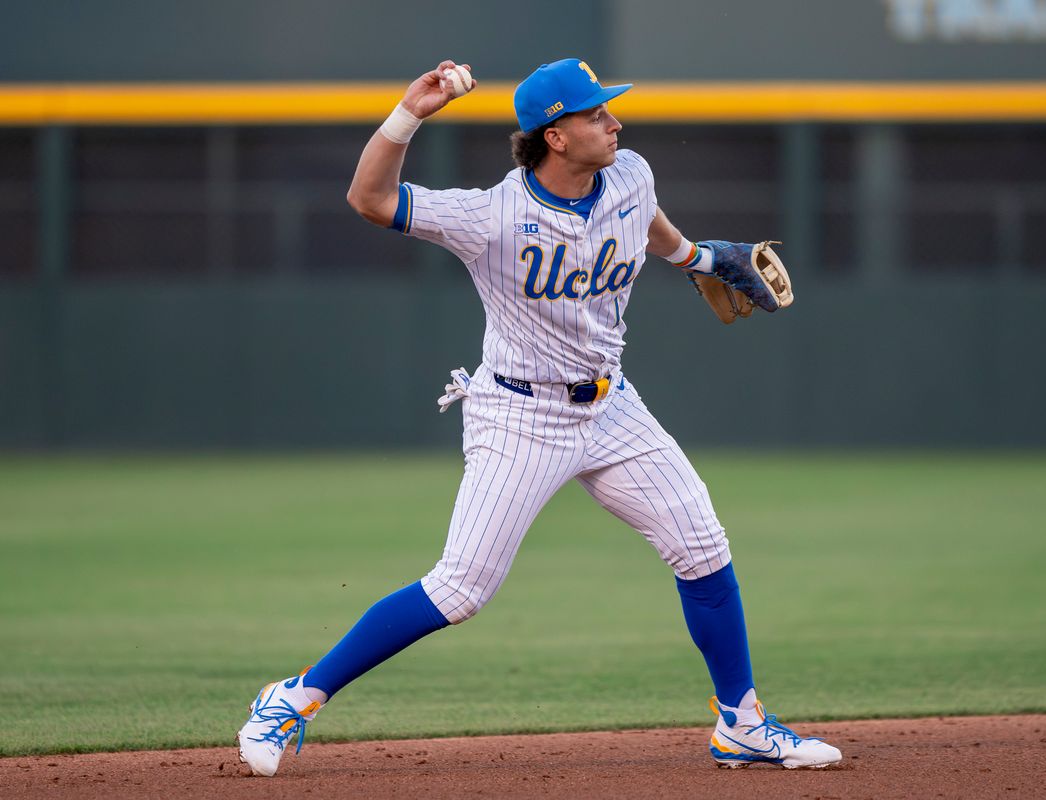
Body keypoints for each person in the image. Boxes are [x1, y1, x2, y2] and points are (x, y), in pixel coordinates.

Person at [236, 57, 842, 777]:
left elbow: (645, 221)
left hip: (612, 405)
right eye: (595, 114)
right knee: (460, 589)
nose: (613, 122)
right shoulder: (490, 217)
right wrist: (409, 114)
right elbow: (369, 198)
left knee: (703, 547)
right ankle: (293, 698)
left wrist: (699, 257)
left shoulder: (630, 172)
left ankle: (741, 723)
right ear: (554, 136)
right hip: (520, 414)